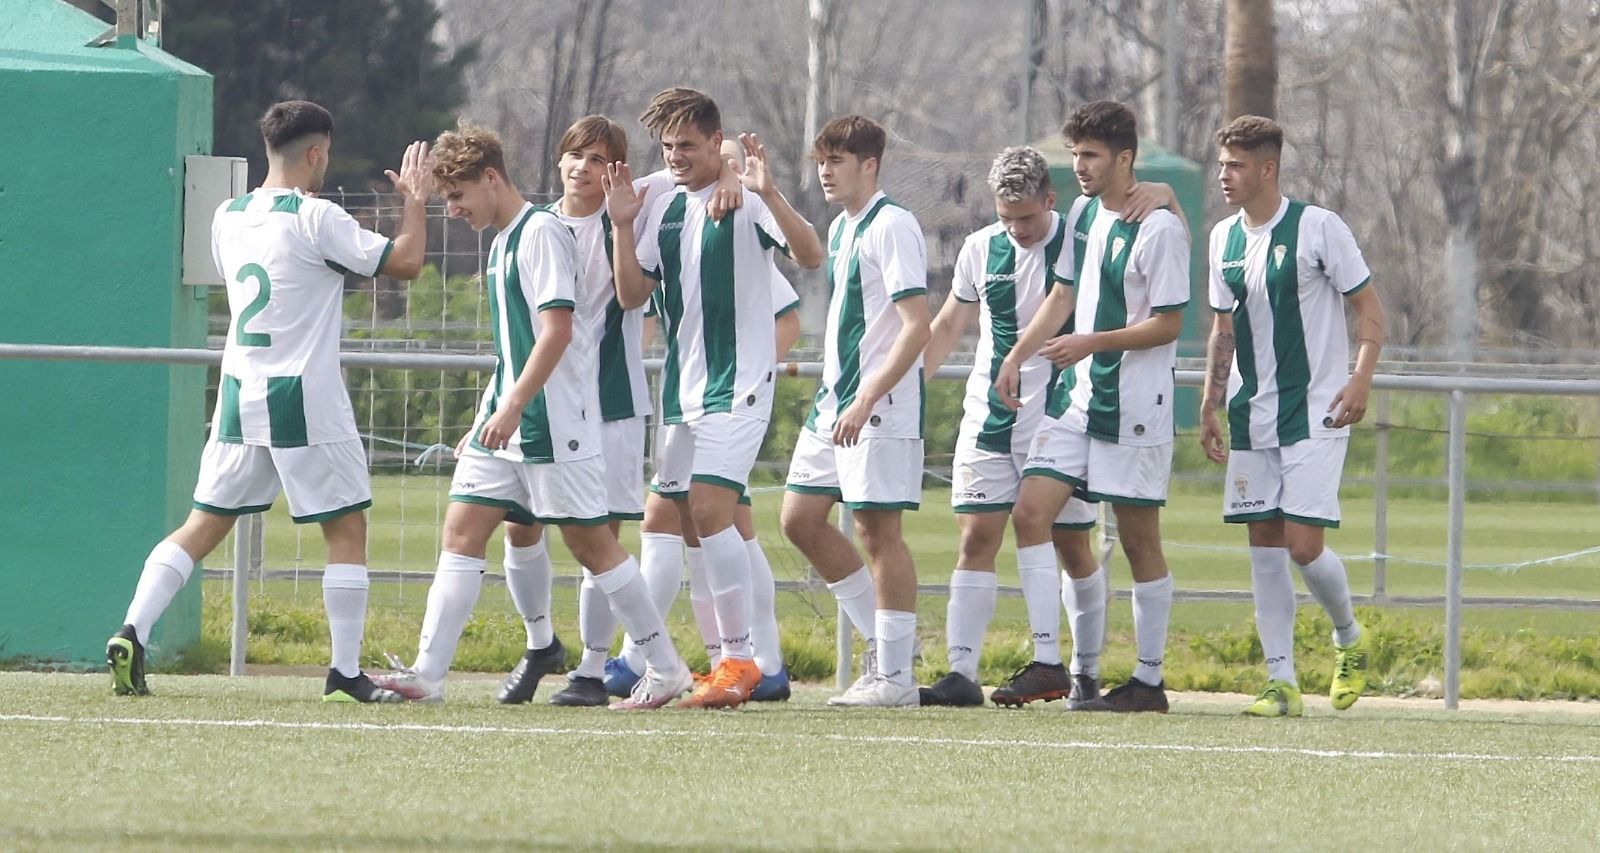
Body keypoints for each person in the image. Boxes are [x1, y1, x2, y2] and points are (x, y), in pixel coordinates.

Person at [105, 100, 429, 703]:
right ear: (314, 153)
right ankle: (344, 672)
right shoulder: (316, 217)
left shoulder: (228, 216)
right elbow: (405, 262)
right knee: (347, 528)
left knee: (202, 525)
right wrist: (415, 199)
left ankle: (133, 630)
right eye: (325, 156)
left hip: (238, 395)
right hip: (302, 395)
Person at [371, 121, 694, 711]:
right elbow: (513, 346)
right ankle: (427, 674)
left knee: (592, 545)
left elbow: (557, 331)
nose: (454, 209)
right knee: (463, 531)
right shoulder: (504, 243)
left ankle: (667, 667)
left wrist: (516, 405)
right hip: (510, 423)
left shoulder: (542, 233)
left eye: (459, 196)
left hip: (554, 422)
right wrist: (488, 412)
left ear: (491, 178)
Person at [918, 144, 1177, 708]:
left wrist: (1168, 193)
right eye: (1006, 218)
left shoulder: (1081, 233)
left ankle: (1080, 670)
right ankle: (962, 672)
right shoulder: (979, 249)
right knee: (976, 536)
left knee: (1070, 544)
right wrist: (909, 387)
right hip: (990, 413)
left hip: (1062, 411)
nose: (1017, 229)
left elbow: (1148, 225)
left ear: (1050, 201)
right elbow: (947, 325)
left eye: (1028, 218)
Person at [607, 87, 824, 709]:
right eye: (668, 145)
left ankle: (740, 660)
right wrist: (624, 224)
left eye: (689, 145)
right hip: (683, 389)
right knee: (680, 520)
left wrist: (764, 188)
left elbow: (811, 255)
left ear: (714, 142)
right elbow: (629, 294)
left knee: (708, 512)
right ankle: (723, 663)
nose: (676, 155)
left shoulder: (745, 200)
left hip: (740, 384)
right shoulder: (665, 205)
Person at [1000, 100, 1190, 713]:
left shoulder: (1158, 228)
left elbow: (1168, 324)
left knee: (1139, 543)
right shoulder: (1084, 214)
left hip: (1134, 406)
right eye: (1075, 153)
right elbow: (1065, 293)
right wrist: (1019, 355)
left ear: (1125, 158)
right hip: (1079, 401)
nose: (1079, 166)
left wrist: (1091, 342)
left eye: (1091, 155)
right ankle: (1049, 662)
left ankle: (1149, 680)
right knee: (1031, 513)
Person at [1200, 115, 1383, 717]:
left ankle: (1349, 638)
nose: (1224, 175)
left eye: (1236, 165)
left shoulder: (1318, 228)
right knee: (1263, 543)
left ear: (1268, 168)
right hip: (1252, 414)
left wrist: (1361, 377)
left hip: (1317, 411)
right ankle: (1281, 682)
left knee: (1304, 546)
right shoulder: (1223, 238)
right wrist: (1209, 398)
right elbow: (1223, 328)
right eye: (1222, 163)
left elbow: (1369, 309)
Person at [777, 114, 931, 708]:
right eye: (821, 161)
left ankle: (894, 678)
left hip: (880, 405)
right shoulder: (844, 228)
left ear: (869, 164)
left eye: (837, 161)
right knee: (799, 519)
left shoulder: (894, 225)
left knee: (876, 530)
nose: (825, 171)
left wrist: (868, 398)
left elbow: (916, 326)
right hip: (835, 401)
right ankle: (888, 652)